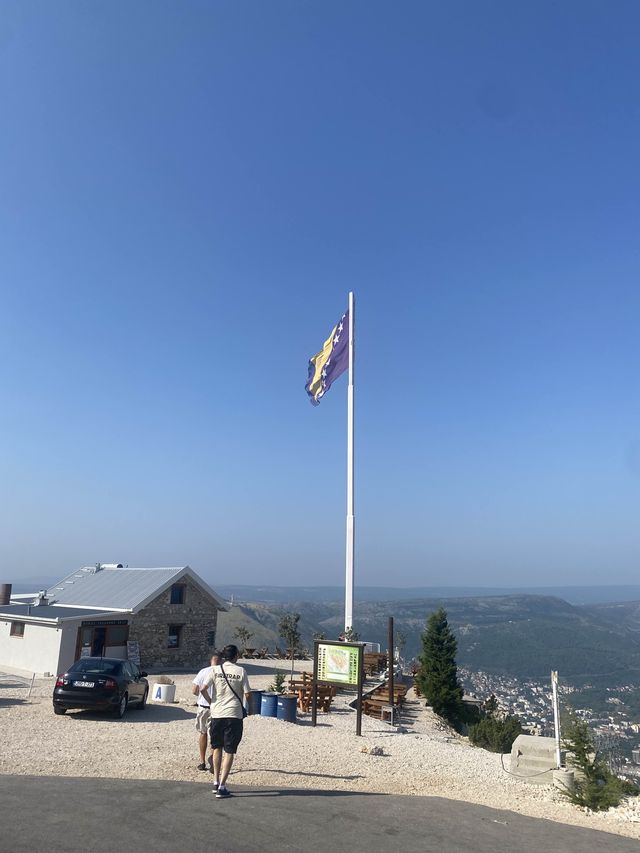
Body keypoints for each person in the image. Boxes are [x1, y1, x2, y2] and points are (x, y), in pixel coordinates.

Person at [199, 643, 250, 798]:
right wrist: (249, 708)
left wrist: (210, 702)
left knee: (216, 747)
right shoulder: (241, 671)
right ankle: (222, 785)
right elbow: (248, 694)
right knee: (230, 750)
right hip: (234, 714)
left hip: (217, 713)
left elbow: (202, 688)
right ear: (235, 656)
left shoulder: (215, 670)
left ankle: (215, 781)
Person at [192, 651, 221, 771]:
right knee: (214, 735)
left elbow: (194, 690)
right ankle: (213, 763)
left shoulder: (203, 671)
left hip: (203, 707)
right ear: (221, 661)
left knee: (203, 733)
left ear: (211, 660)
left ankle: (202, 762)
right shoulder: (222, 673)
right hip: (217, 708)